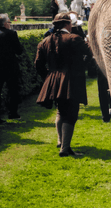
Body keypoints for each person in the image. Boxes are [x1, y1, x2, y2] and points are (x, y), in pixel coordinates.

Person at [35, 12, 92, 156]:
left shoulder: (44, 41)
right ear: (68, 24)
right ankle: (65, 149)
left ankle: (61, 142)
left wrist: (48, 77)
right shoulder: (74, 39)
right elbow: (91, 52)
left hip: (53, 79)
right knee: (71, 113)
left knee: (61, 110)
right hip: (71, 79)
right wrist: (82, 66)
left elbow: (38, 64)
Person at [0, 13, 23, 124]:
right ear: (5, 24)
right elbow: (19, 50)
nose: (10, 24)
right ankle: (13, 113)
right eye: (9, 22)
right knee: (13, 91)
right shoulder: (12, 34)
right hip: (10, 67)